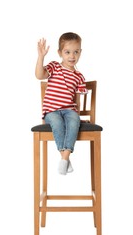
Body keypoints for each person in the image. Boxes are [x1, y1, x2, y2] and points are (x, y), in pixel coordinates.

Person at [35, 32, 87, 175]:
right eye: (67, 52)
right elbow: (39, 75)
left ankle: (64, 159)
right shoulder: (54, 67)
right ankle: (65, 158)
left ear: (80, 52)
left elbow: (77, 100)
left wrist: (76, 116)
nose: (72, 56)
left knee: (73, 121)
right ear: (60, 53)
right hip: (51, 111)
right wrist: (41, 57)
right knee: (57, 124)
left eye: (76, 52)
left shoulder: (79, 77)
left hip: (69, 111)